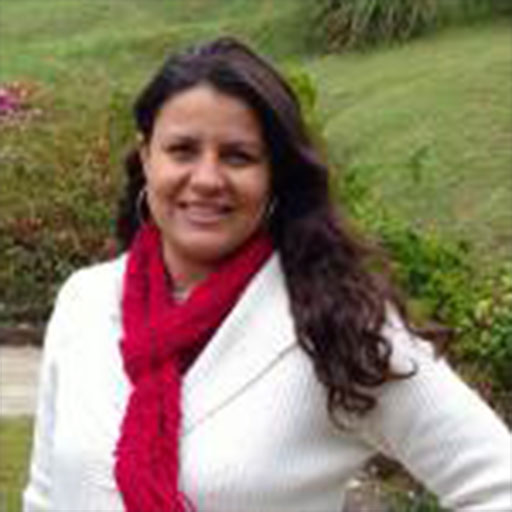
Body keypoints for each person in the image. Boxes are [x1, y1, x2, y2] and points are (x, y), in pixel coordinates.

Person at [23, 37, 511, 512]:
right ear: (147, 156)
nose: (207, 178)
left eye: (238, 156)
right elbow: (47, 495)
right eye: (183, 150)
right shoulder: (85, 303)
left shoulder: (336, 323)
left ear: (274, 173)